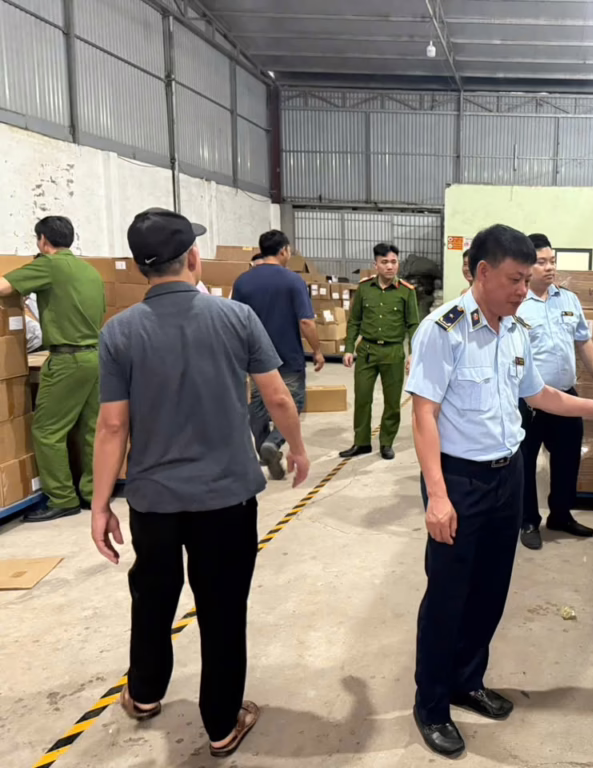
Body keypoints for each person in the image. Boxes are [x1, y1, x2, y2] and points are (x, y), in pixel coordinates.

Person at [405, 223, 593, 758]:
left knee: (490, 589)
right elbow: (424, 415)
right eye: (515, 279)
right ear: (482, 272)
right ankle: (432, 704)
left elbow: (540, 394)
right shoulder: (444, 330)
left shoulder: (514, 330)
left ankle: (467, 681)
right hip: (459, 480)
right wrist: (437, 496)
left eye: (526, 278)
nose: (523, 289)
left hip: (507, 475)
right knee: (447, 596)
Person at [90, 208, 311, 759]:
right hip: (226, 499)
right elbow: (277, 396)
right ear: (193, 258)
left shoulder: (119, 332)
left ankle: (144, 694)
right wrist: (298, 448)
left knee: (153, 598)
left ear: (141, 267)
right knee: (222, 608)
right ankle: (220, 724)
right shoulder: (235, 318)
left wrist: (100, 505)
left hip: (154, 502)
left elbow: (113, 425)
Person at [0, 216, 105, 522]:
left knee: (47, 430)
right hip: (96, 357)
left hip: (67, 360)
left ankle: (61, 498)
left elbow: (4, 287)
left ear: (43, 240)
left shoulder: (48, 265)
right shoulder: (89, 270)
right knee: (91, 429)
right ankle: (94, 493)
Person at [515, 234, 593, 550]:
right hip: (528, 401)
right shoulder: (516, 303)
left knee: (568, 459)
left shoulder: (568, 300)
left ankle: (561, 514)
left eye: (552, 261)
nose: (550, 267)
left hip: (566, 396)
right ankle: (528, 520)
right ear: (526, 266)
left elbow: (583, 340)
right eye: (541, 262)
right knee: (525, 462)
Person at [232, 230, 324, 479]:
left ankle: (264, 449)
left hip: (254, 358)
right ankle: (273, 442)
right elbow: (306, 322)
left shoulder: (242, 282)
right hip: (288, 355)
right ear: (284, 250)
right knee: (293, 402)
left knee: (258, 407)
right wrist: (317, 351)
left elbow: (234, 320)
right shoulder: (293, 281)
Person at [339, 243, 419, 461]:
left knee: (392, 402)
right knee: (362, 398)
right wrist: (349, 348)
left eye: (393, 262)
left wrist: (413, 354)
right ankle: (362, 442)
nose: (390, 267)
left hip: (393, 352)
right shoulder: (364, 289)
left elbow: (413, 325)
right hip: (367, 351)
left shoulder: (406, 291)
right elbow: (354, 321)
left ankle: (386, 443)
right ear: (375, 265)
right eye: (384, 262)